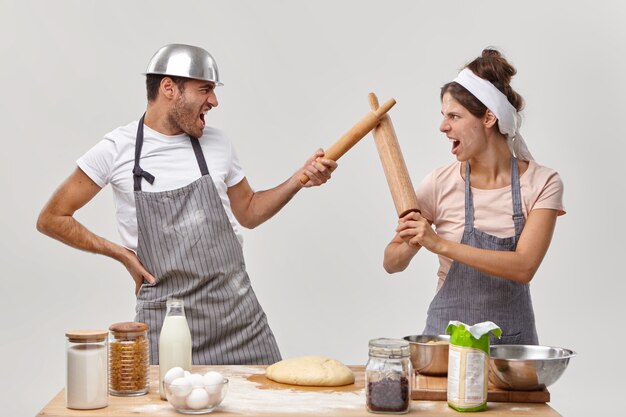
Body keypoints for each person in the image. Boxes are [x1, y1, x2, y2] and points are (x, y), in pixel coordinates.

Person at [36, 44, 337, 365]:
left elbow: (248, 211)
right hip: (164, 325)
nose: (214, 101)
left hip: (239, 321)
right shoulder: (116, 149)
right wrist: (121, 253)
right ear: (169, 88)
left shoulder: (218, 143)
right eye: (205, 89)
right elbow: (52, 218)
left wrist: (299, 179)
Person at [383, 48, 564, 345]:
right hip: (445, 346)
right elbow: (391, 263)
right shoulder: (439, 183)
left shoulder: (543, 182)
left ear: (489, 118)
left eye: (454, 116)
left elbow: (524, 266)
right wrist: (410, 242)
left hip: (510, 351)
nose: (443, 127)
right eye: (444, 116)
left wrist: (439, 243)